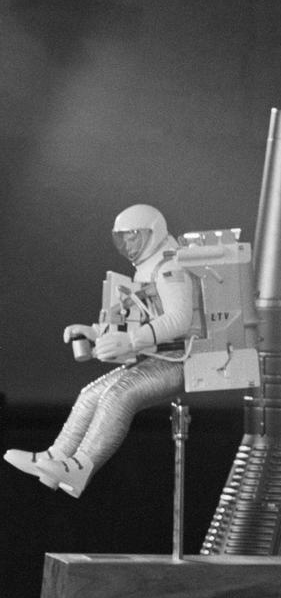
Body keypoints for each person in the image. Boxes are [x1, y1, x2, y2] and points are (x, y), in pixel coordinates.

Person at [4, 204, 194, 498]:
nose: (129, 244)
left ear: (152, 234)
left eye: (134, 237)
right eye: (124, 238)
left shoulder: (170, 266)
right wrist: (96, 333)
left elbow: (180, 319)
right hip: (157, 356)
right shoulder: (151, 265)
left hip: (180, 361)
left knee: (118, 395)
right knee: (90, 394)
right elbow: (140, 314)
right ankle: (54, 459)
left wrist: (131, 341)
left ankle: (79, 467)